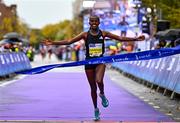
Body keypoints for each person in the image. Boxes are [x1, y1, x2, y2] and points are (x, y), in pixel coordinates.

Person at [42, 15, 145, 121]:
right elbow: (69, 41)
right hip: (89, 62)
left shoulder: (104, 33)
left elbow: (120, 38)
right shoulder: (85, 35)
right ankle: (96, 109)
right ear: (89, 23)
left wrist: (135, 38)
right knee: (92, 88)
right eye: (92, 21)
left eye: (96, 21)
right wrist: (53, 43)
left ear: (99, 22)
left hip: (100, 61)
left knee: (99, 80)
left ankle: (102, 94)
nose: (94, 22)